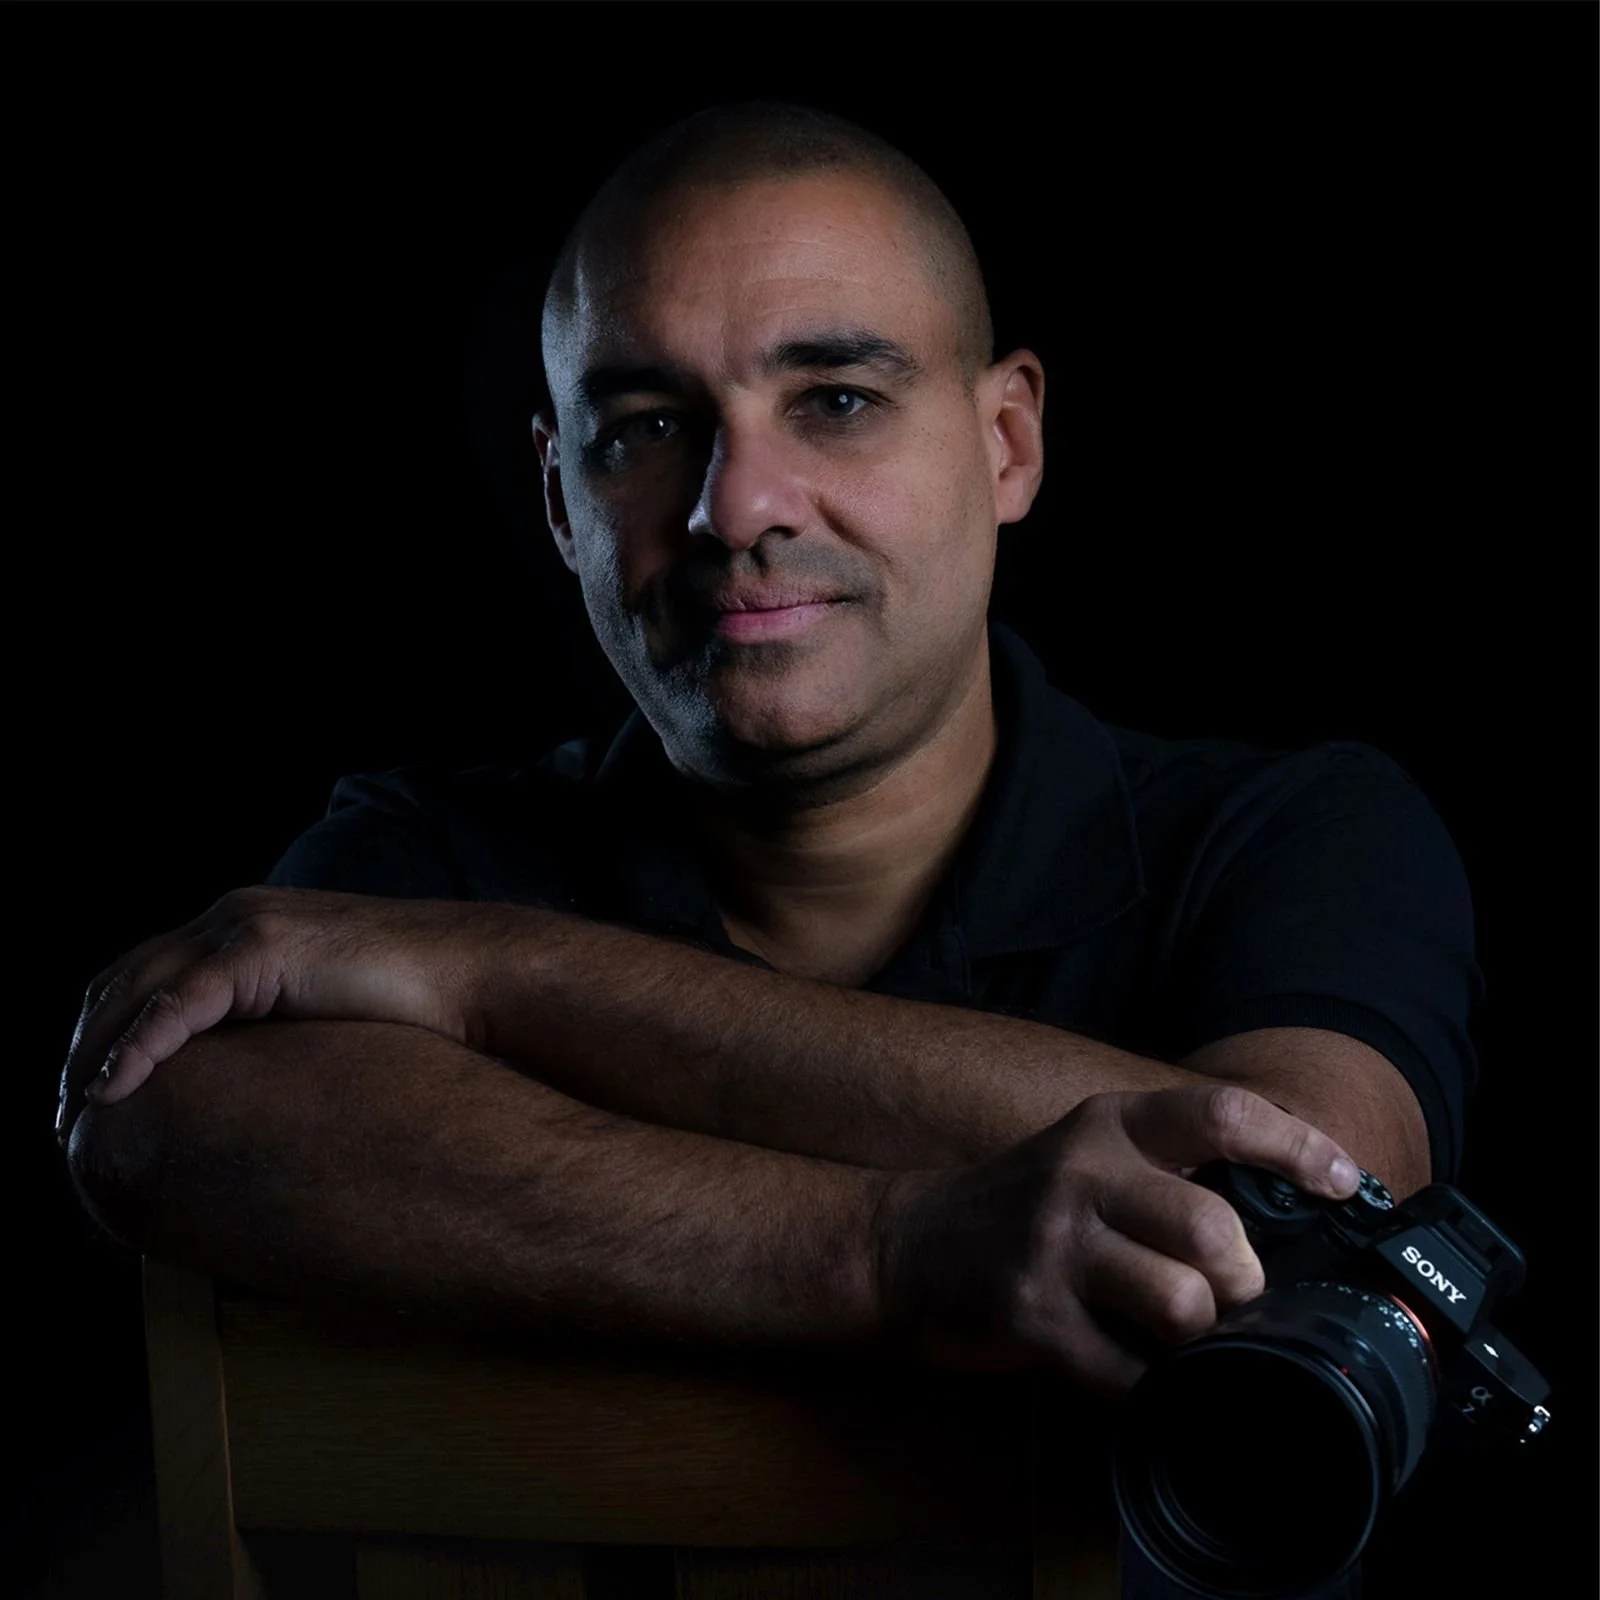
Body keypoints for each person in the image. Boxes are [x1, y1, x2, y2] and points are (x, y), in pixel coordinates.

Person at [59, 102, 1479, 1597]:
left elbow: (1310, 1215)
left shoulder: (1295, 835)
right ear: (560, 498)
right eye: (647, 431)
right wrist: (885, 1253)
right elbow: (149, 1114)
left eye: (838, 401)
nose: (735, 508)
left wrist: (491, 977)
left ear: (1006, 443)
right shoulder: (429, 848)